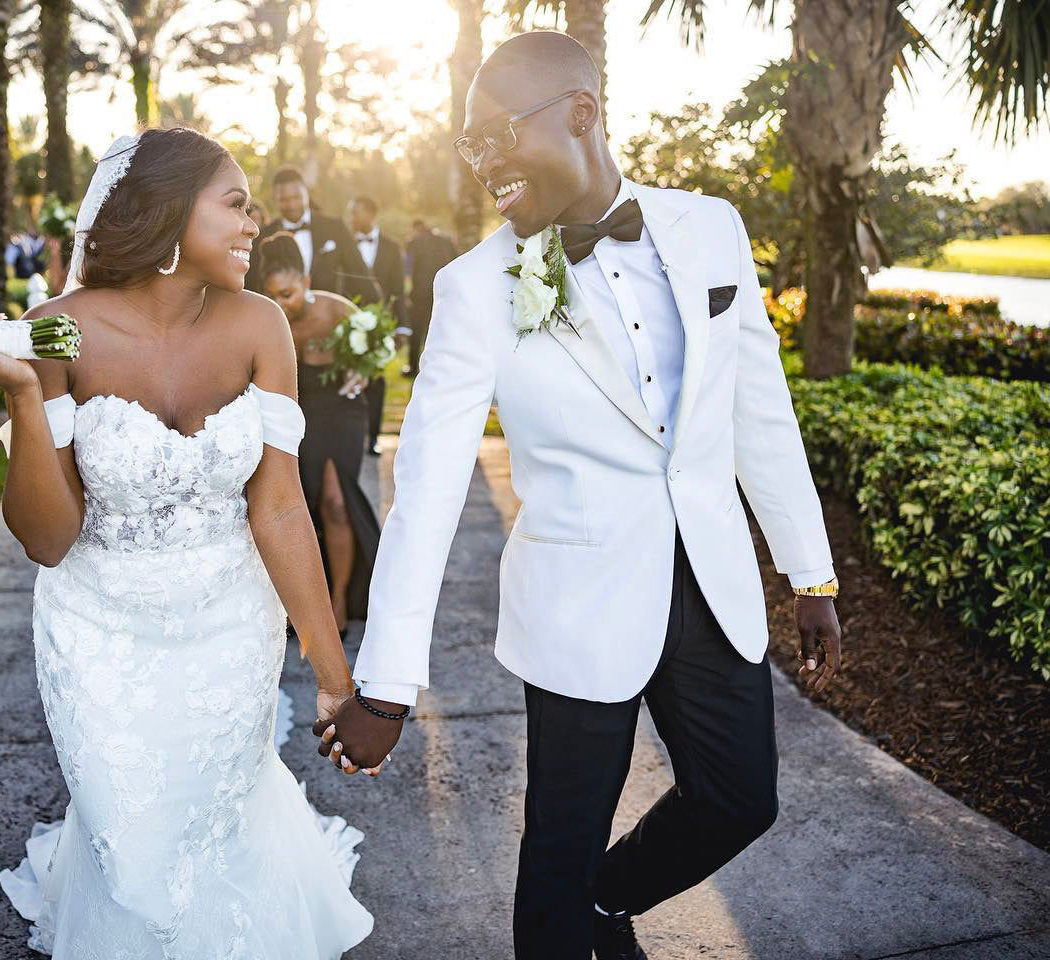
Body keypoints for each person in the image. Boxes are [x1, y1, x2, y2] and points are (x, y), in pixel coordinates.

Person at [317, 31, 844, 960]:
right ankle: (571, 917)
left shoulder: (708, 226)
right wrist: (386, 688)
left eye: (496, 138)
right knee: (555, 856)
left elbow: (759, 407)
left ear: (581, 113)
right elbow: (428, 491)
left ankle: (609, 902)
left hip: (709, 583)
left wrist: (811, 573)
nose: (483, 166)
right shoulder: (476, 288)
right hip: (577, 604)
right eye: (467, 149)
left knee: (739, 799)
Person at [0, 127, 374, 958]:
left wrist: (336, 682)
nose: (254, 227)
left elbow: (278, 508)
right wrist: (24, 398)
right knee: (129, 843)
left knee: (217, 819)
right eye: (235, 206)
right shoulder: (55, 333)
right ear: (168, 214)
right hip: (99, 633)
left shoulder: (261, 327)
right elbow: (47, 538)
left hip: (231, 625)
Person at [258, 231, 383, 636]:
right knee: (304, 507)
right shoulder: (268, 323)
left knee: (335, 502)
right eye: (273, 295)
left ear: (307, 283)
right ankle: (301, 599)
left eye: (289, 293)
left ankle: (339, 598)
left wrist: (361, 374)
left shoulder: (339, 310)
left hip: (343, 411)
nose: (282, 303)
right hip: (299, 413)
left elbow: (377, 354)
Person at [247, 166, 382, 307]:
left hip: (328, 319)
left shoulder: (335, 228)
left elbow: (359, 274)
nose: (292, 205)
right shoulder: (262, 235)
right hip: (281, 319)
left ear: (306, 193)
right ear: (275, 199)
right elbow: (253, 284)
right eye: (284, 200)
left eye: (297, 197)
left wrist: (376, 316)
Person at [348, 195, 406, 455]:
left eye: (356, 213)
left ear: (371, 214)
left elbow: (398, 290)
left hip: (382, 325)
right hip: (351, 321)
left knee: (377, 381)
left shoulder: (392, 248)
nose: (351, 218)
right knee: (351, 378)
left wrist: (402, 327)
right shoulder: (346, 243)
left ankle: (372, 437)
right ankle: (352, 435)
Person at [403, 219, 458, 376]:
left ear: (416, 228)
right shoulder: (446, 241)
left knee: (417, 331)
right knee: (442, 330)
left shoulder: (414, 242)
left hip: (420, 293)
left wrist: (408, 291)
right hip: (444, 292)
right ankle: (441, 367)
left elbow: (409, 269)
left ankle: (413, 367)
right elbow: (456, 263)